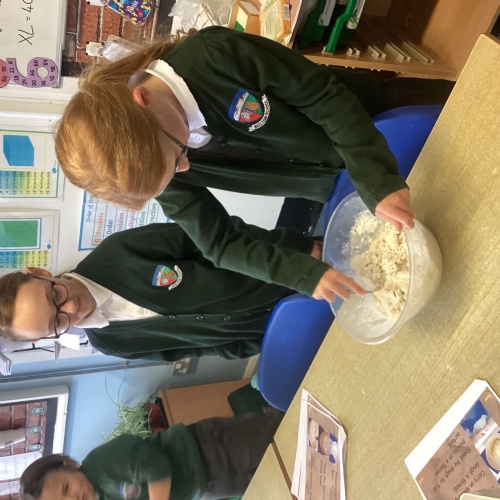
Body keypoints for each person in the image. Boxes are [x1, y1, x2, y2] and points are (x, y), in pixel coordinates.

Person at [55, 26, 453, 303]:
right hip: (350, 188)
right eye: (172, 174)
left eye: (177, 155)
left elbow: (325, 98)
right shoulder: (160, 164)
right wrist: (302, 274)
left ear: (143, 100)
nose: (185, 170)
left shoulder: (214, 57)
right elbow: (220, 244)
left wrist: (376, 178)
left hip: (389, 120)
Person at [0, 220, 314, 361]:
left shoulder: (119, 252)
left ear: (41, 273)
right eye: (57, 323)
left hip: (295, 270)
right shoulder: (110, 343)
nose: (71, 309)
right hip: (283, 330)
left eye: (55, 296)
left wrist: (296, 250)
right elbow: (192, 349)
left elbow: (220, 237)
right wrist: (263, 343)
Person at [19, 408, 283, 500]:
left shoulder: (101, 462)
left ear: (68, 464)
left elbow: (156, 466)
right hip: (206, 485)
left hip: (207, 448)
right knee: (274, 477)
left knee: (279, 434)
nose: (73, 499)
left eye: (66, 488)